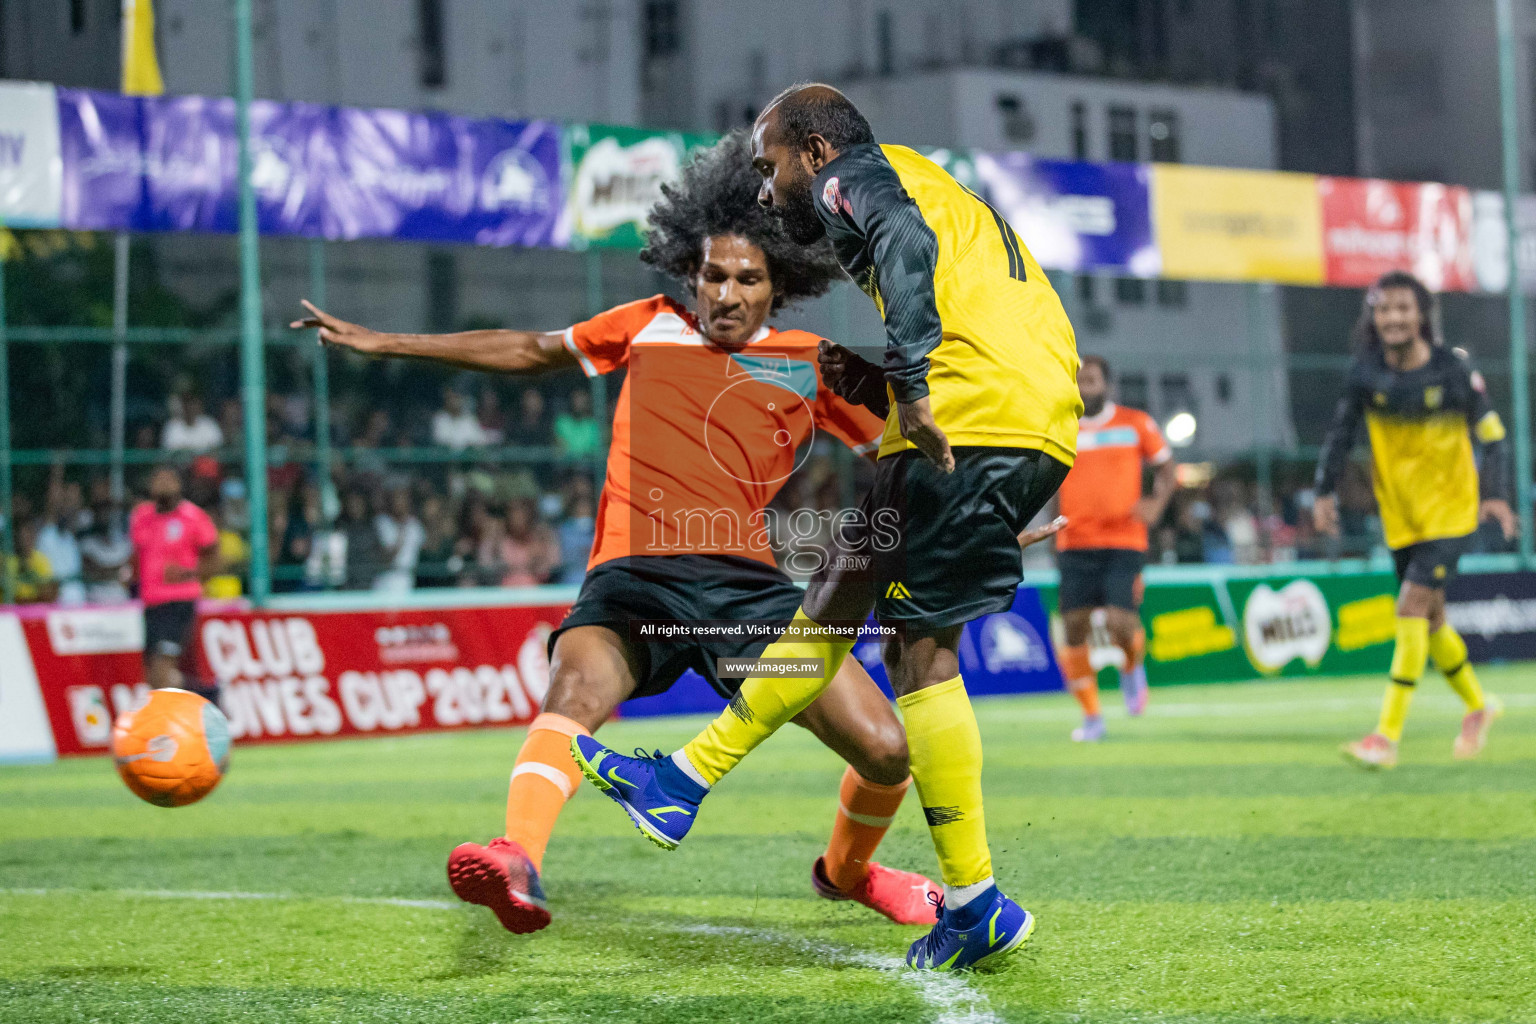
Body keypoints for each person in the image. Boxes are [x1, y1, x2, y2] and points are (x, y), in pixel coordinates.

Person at [293, 130, 1046, 937]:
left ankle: (848, 873)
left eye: (747, 279)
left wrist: (984, 520)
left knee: (889, 751)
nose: (726, 293)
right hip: (632, 581)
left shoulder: (815, 361)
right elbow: (531, 348)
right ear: (691, 274)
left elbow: (917, 453)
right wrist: (387, 341)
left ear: (778, 284)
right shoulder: (645, 326)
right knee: (574, 693)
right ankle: (516, 857)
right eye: (712, 275)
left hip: (750, 604)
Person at [571, 84, 1081, 971]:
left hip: (967, 409)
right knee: (846, 605)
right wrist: (893, 383)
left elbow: (904, 245)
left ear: (812, 150)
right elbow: (964, 295)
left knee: (910, 647)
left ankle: (972, 898)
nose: (766, 193)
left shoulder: (853, 178)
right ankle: (684, 783)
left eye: (770, 168)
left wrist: (913, 387)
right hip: (1030, 413)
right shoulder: (932, 181)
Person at [1314, 271, 1515, 769]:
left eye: (1403, 308)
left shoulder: (1455, 370)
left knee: (1410, 609)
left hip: (1452, 513)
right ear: (1373, 317)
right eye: (1383, 309)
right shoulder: (1365, 373)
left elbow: (1495, 436)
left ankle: (1385, 738)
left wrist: (1496, 496)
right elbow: (1339, 434)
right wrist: (1322, 491)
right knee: (1432, 620)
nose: (1393, 317)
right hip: (1401, 516)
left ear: (1422, 315)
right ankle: (1478, 706)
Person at [1054, 355, 1176, 742]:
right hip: (1074, 542)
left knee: (1120, 623)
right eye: (1079, 380)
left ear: (1106, 384)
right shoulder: (1060, 427)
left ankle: (1130, 666)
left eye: (1091, 379)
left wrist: (1156, 504)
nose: (1084, 386)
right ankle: (1093, 718)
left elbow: (1168, 469)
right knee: (1074, 628)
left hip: (1125, 539)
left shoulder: (1135, 422)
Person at [129, 466, 222, 699]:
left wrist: (187, 574)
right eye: (158, 478)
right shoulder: (141, 516)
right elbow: (137, 555)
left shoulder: (193, 517)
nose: (162, 483)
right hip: (150, 602)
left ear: (179, 485)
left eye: (168, 478)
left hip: (179, 601)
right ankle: (207, 694)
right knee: (152, 675)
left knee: (164, 664)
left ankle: (170, 725)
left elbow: (216, 561)